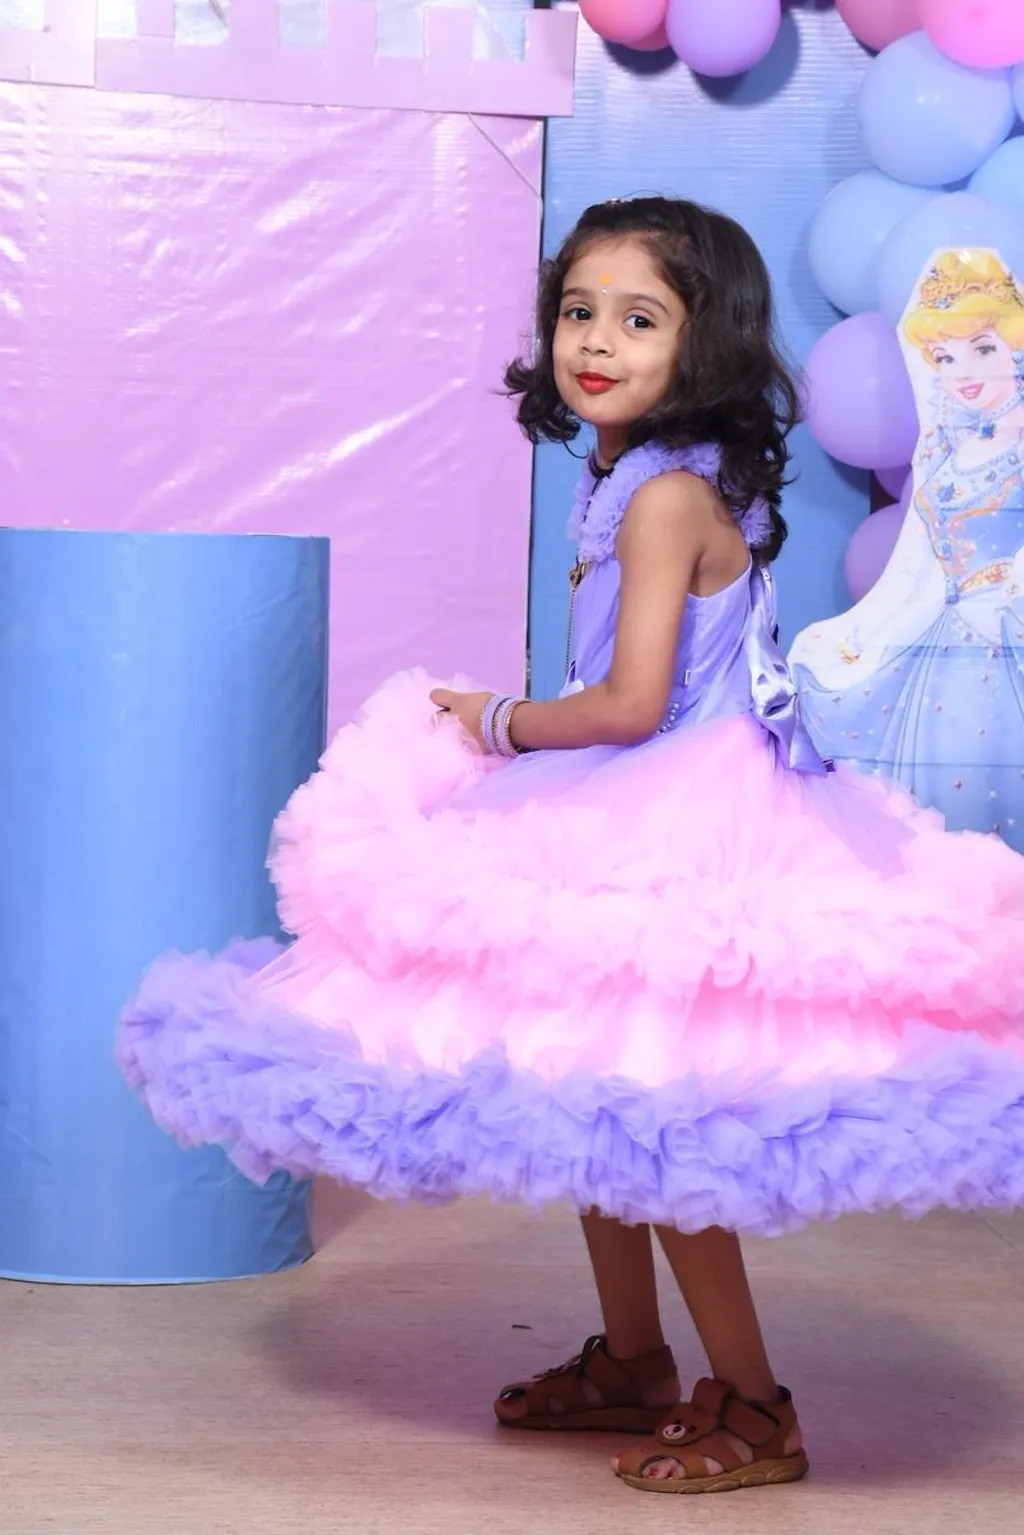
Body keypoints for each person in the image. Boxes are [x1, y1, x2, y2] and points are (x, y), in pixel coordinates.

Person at [121, 199, 1024, 1497]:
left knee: (656, 1112)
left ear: (705, 342)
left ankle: (754, 1401)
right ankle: (633, 1359)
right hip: (641, 796)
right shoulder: (631, 480)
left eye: (639, 318)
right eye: (577, 311)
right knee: (592, 1088)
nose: (596, 340)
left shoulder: (662, 496)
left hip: (684, 813)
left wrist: (493, 720)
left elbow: (632, 703)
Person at [791, 249, 1024, 853]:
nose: (964, 371)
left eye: (982, 348)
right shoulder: (944, 453)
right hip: (947, 655)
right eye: (944, 356)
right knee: (945, 828)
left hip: (1010, 642)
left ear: (1014, 343)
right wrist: (869, 628)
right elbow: (921, 567)